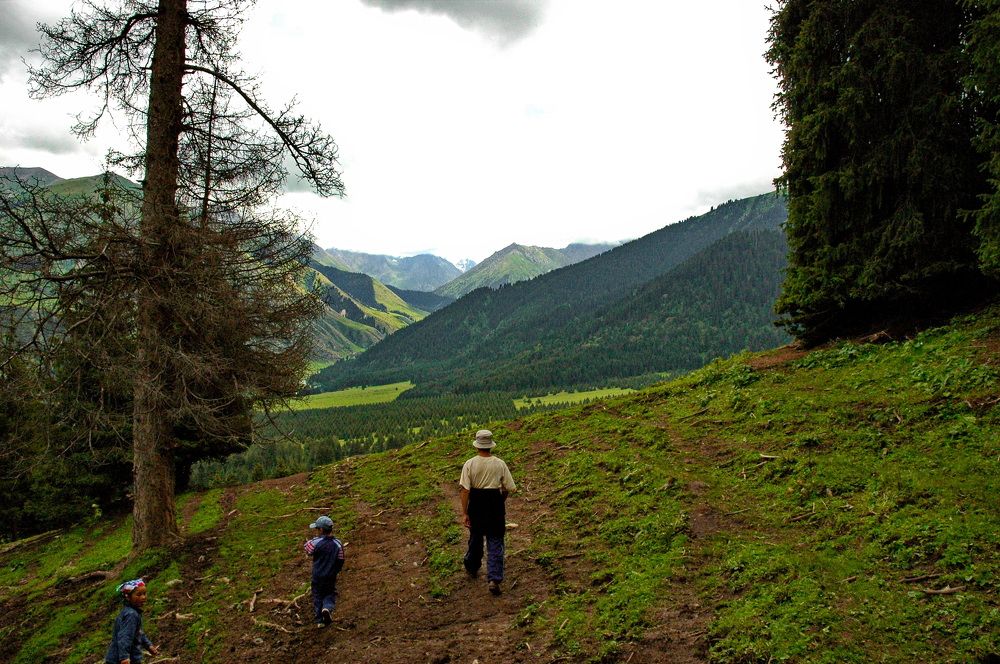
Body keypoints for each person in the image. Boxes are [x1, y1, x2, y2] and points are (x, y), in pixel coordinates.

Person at [459, 429, 516, 595]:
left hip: (476, 503)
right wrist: (500, 500)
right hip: (495, 504)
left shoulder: (469, 464)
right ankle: (494, 578)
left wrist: (465, 512)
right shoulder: (500, 464)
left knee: (476, 538)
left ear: (477, 445)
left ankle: (472, 565)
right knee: (496, 540)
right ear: (491, 446)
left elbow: (464, 490)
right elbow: (508, 487)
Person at [104, 578, 159, 664]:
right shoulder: (131, 615)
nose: (143, 597)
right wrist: (124, 657)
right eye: (138, 595)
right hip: (120, 660)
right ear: (128, 597)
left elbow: (138, 632)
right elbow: (125, 636)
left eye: (144, 593)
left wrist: (148, 645)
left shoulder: (131, 612)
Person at [304, 515, 345, 628]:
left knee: (317, 595)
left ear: (321, 530)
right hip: (330, 575)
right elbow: (341, 559)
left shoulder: (316, 542)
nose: (316, 531)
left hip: (317, 575)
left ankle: (319, 620)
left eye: (317, 529)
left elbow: (307, 548)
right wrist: (336, 570)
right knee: (330, 593)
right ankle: (327, 608)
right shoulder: (337, 543)